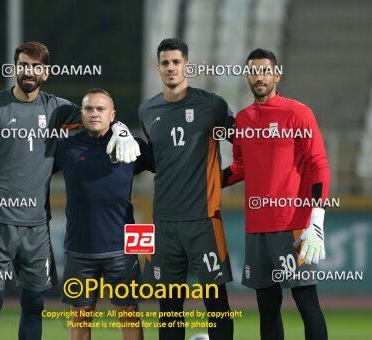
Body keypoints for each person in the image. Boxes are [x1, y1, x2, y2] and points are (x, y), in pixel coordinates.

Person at [0, 41, 140, 340]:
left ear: (45, 73)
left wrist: (121, 129)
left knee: (34, 304)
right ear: (14, 68)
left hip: (37, 228)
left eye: (36, 66)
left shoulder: (56, 108)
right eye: (23, 65)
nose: (29, 71)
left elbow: (95, 114)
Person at [222, 48, 329, 340]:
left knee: (307, 303)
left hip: (293, 225)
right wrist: (205, 183)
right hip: (257, 228)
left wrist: (316, 220)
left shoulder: (298, 112)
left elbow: (319, 165)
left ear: (277, 74)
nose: (260, 76)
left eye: (265, 70)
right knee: (266, 307)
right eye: (254, 71)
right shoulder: (243, 119)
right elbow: (241, 167)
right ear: (247, 76)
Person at [138, 38, 235, 340]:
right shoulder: (147, 110)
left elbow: (246, 145)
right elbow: (158, 160)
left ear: (187, 65)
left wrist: (223, 179)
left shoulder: (213, 106)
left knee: (216, 303)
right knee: (168, 307)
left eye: (176, 62)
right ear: (158, 67)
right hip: (164, 223)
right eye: (165, 63)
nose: (171, 68)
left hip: (203, 220)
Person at [54, 88, 154, 340]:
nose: (94, 113)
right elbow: (31, 168)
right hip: (79, 247)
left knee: (129, 312)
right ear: (82, 114)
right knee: (80, 314)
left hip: (122, 247)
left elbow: (170, 165)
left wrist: (126, 132)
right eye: (88, 108)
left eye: (101, 109)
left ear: (113, 115)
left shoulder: (132, 145)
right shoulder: (66, 148)